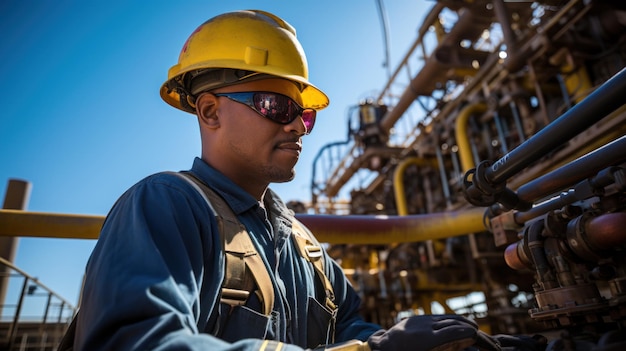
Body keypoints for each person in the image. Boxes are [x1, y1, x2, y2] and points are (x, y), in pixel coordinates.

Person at [70, 9, 543, 351]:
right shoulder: (167, 206)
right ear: (210, 111)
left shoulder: (303, 247)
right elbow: (135, 342)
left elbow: (349, 331)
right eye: (276, 107)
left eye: (304, 115)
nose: (297, 126)